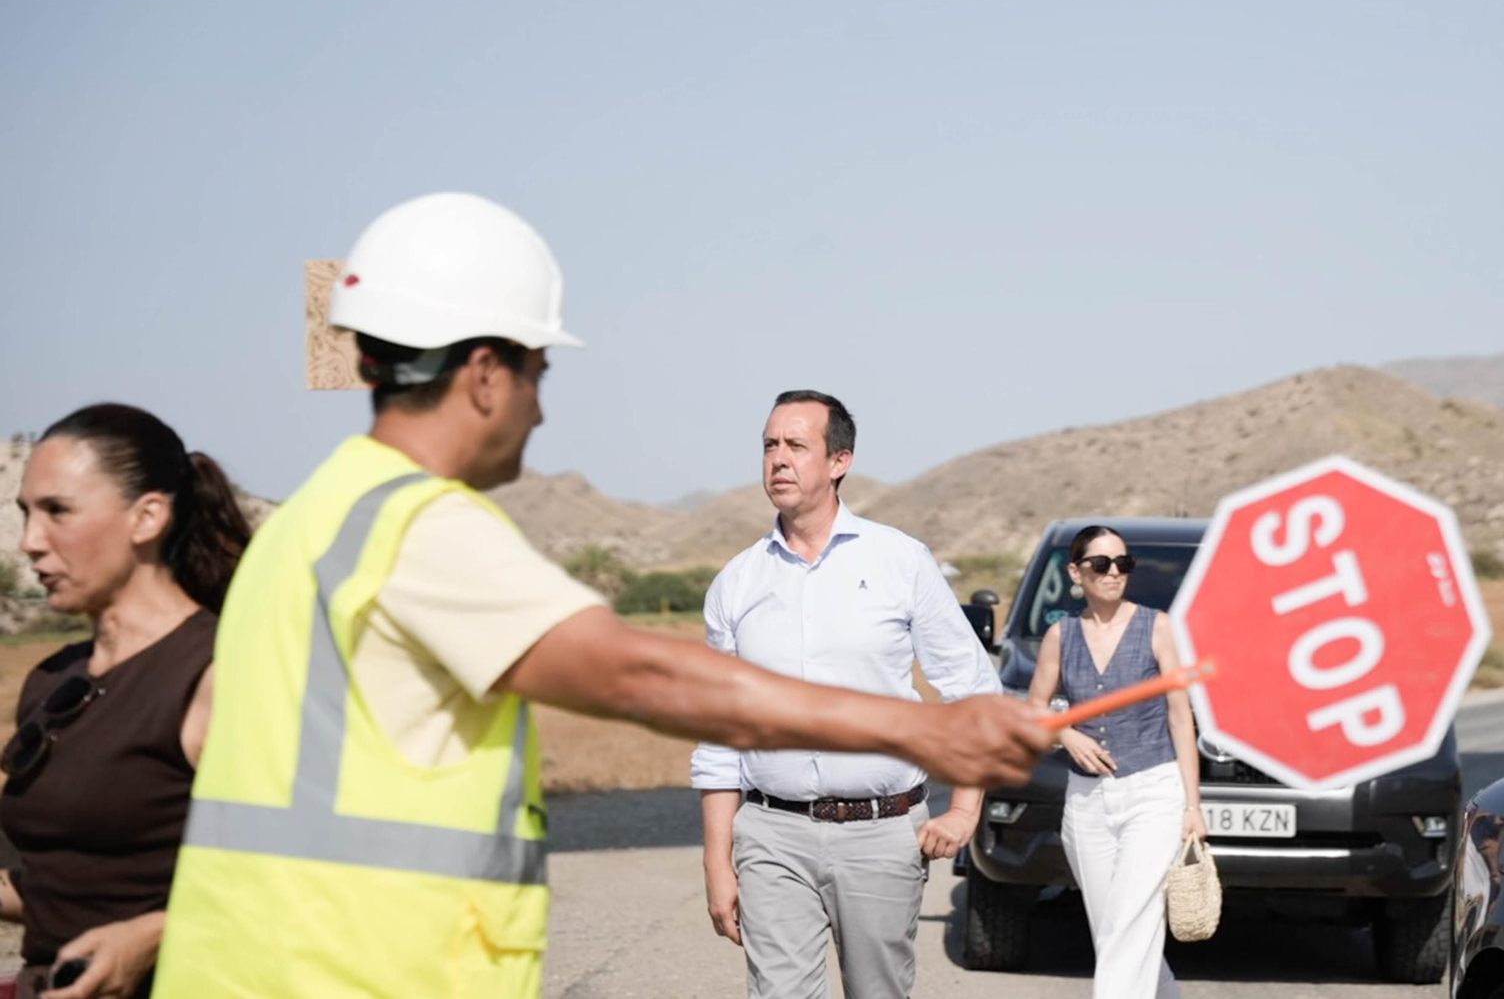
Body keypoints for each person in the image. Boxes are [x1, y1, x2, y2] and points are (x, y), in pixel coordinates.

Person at [150, 192, 1053, 998]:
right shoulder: (423, 529)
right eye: (539, 372)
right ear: (484, 373)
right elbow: (641, 677)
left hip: (253, 963)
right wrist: (920, 729)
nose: (542, 410)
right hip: (360, 968)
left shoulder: (308, 521)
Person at [691, 390, 1001, 999]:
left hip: (882, 834)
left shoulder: (900, 562)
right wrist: (716, 860)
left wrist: (965, 809)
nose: (778, 459)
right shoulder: (737, 583)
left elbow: (972, 691)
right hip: (772, 834)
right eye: (769, 446)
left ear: (839, 461)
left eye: (796, 446)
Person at [2, 404, 252, 999]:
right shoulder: (51, 680)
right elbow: (52, 887)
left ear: (147, 518)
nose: (30, 543)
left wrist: (156, 936)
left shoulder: (220, 673)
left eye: (58, 511)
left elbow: (298, 871)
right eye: (25, 514)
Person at [1026, 524, 1206, 999]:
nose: (1113, 573)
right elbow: (1034, 709)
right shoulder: (1060, 636)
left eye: (1122, 564)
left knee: (1130, 925)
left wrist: (1193, 805)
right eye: (1101, 564)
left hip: (1154, 791)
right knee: (1117, 931)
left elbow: (1179, 717)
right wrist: (1066, 733)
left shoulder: (1158, 626)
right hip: (1086, 801)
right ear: (1076, 572)